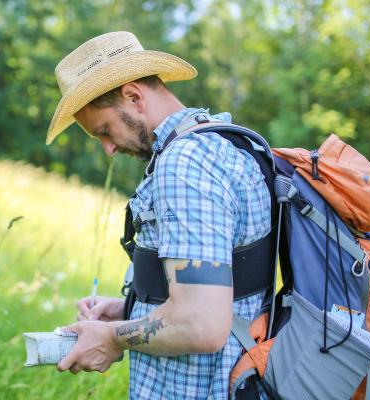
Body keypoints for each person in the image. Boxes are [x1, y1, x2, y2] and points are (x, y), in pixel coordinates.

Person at [46, 31, 271, 399]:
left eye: (105, 130)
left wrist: (111, 339)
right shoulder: (225, 142)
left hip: (198, 387)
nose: (108, 148)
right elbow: (220, 291)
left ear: (133, 96)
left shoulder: (185, 164)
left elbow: (202, 324)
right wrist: (129, 308)